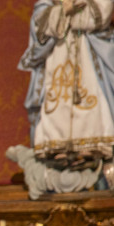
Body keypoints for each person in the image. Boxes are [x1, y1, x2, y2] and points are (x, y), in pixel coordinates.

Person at [19, 0, 114, 164]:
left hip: (88, 48)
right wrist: (65, 10)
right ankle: (58, 147)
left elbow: (101, 14)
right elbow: (40, 20)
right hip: (59, 51)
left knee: (90, 95)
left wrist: (73, 14)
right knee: (58, 98)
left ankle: (90, 146)